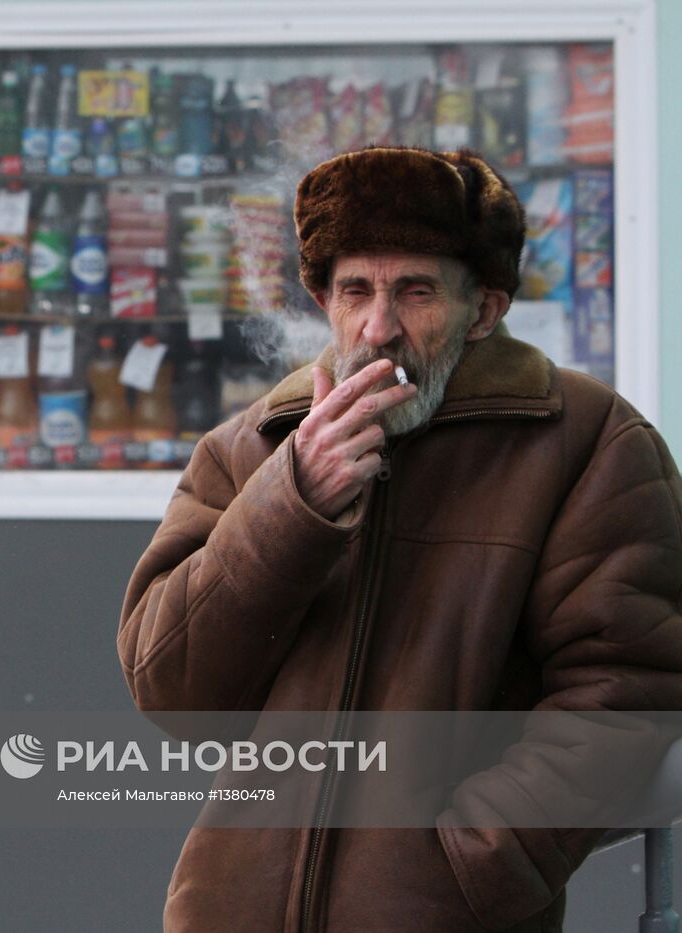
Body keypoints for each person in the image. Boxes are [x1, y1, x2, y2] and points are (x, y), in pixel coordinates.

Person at [118, 147, 682, 932]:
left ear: (483, 310)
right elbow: (170, 689)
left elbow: (629, 693)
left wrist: (471, 864)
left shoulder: (588, 441)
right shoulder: (251, 447)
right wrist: (293, 502)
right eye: (355, 290)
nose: (378, 328)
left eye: (415, 291)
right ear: (324, 299)